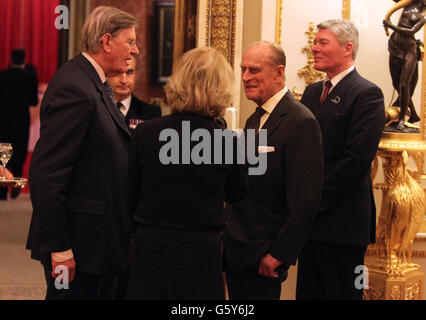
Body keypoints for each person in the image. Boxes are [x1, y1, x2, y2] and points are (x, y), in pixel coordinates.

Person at [26, 6, 139, 300]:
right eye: (130, 41)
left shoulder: (92, 81)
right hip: (79, 246)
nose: (135, 51)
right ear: (106, 42)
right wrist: (61, 249)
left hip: (96, 244)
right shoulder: (76, 87)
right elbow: (47, 176)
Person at [125, 47, 248, 300]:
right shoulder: (224, 142)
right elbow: (238, 192)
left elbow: (128, 192)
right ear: (221, 88)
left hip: (149, 246)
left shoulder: (145, 133)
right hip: (201, 252)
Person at [223, 41, 324, 300]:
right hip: (238, 251)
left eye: (254, 70)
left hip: (265, 257)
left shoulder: (301, 122)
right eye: (243, 69)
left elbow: (305, 201)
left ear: (279, 73)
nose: (245, 77)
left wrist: (280, 254)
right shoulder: (253, 118)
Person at [296, 19, 386, 300]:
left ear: (347, 48)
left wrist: (311, 200)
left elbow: (356, 161)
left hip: (343, 223)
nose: (315, 48)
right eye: (315, 42)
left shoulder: (366, 93)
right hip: (310, 225)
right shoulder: (312, 92)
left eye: (323, 42)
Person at [0, 49, 38, 200]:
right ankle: (16, 179)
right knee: (19, 151)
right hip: (21, 120)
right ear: (24, 60)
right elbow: (33, 101)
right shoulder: (28, 77)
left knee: (3, 152)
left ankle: (1, 191)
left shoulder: (2, 75)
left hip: (3, 120)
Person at [383, 0, 425, 132]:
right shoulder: (408, 4)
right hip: (395, 45)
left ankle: (402, 119)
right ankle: (412, 113)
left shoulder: (423, 16)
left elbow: (410, 31)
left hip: (409, 49)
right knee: (396, 83)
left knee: (403, 84)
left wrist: (391, 26)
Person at [108, 56, 161, 133]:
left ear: (135, 76)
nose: (124, 80)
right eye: (118, 72)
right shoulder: (98, 109)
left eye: (129, 72)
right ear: (107, 75)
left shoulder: (151, 114)